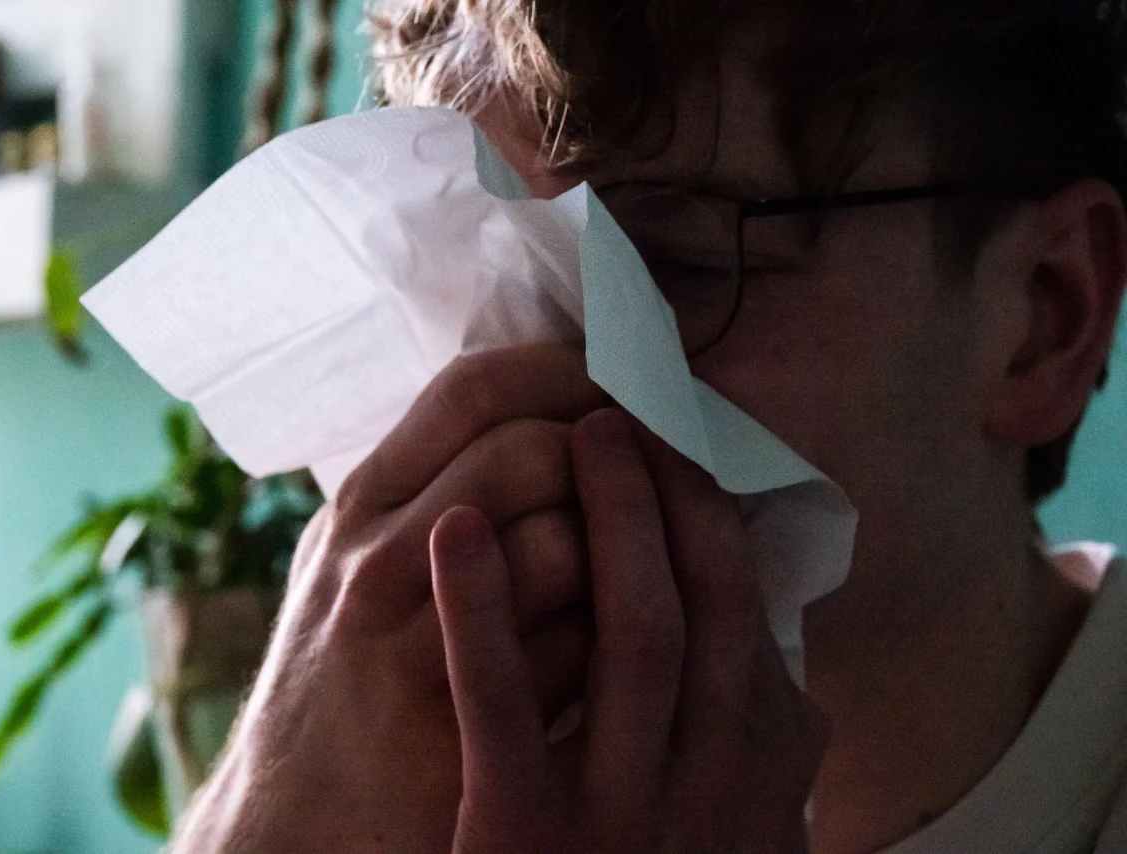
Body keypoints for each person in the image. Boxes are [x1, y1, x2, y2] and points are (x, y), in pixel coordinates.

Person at [171, 0, 1127, 851]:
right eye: (471, 254)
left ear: (1046, 320)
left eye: (669, 263)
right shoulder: (383, 778)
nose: (505, 379)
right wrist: (261, 818)